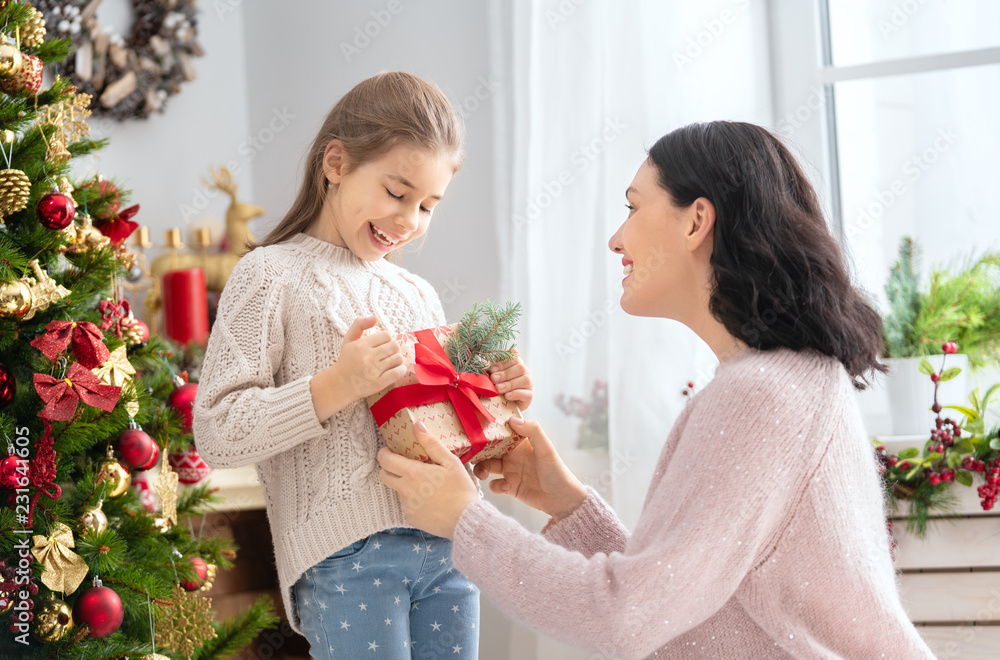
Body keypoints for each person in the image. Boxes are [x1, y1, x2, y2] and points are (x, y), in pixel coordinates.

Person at [378, 121, 937, 659]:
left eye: (633, 206)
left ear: (696, 222)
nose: (616, 238)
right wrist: (567, 506)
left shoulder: (760, 397)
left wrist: (465, 521)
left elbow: (625, 620)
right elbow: (685, 616)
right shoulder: (790, 380)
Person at [192, 71, 533, 660]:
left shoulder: (417, 293)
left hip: (451, 547)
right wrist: (335, 386)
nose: (410, 221)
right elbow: (218, 433)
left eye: (428, 205)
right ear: (336, 162)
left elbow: (441, 432)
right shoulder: (269, 276)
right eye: (398, 193)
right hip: (346, 558)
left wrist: (494, 398)